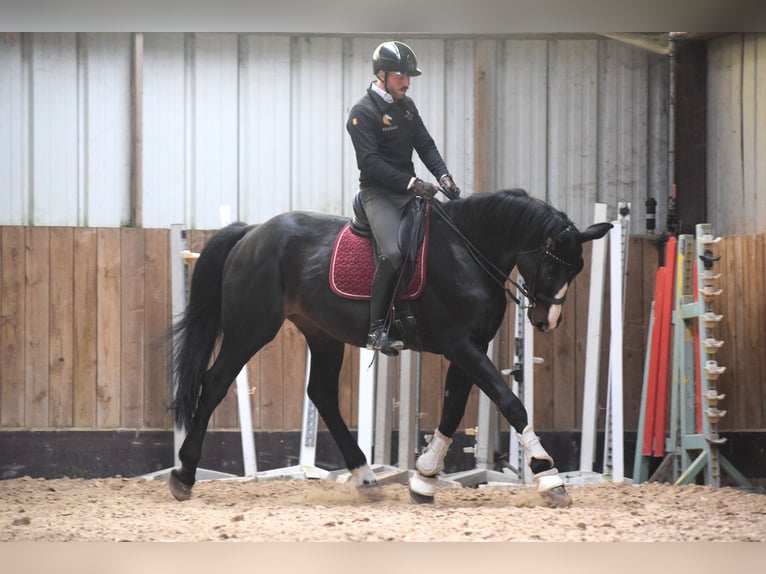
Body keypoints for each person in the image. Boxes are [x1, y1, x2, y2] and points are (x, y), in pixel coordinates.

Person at [346, 40, 460, 356]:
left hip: (409, 192)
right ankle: (376, 329)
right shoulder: (362, 112)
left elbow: (425, 144)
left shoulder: (406, 107)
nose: (407, 83)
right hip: (378, 194)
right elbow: (370, 163)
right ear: (381, 74)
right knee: (394, 254)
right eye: (400, 76)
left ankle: (417, 316)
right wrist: (412, 183)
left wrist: (443, 176)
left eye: (409, 77)